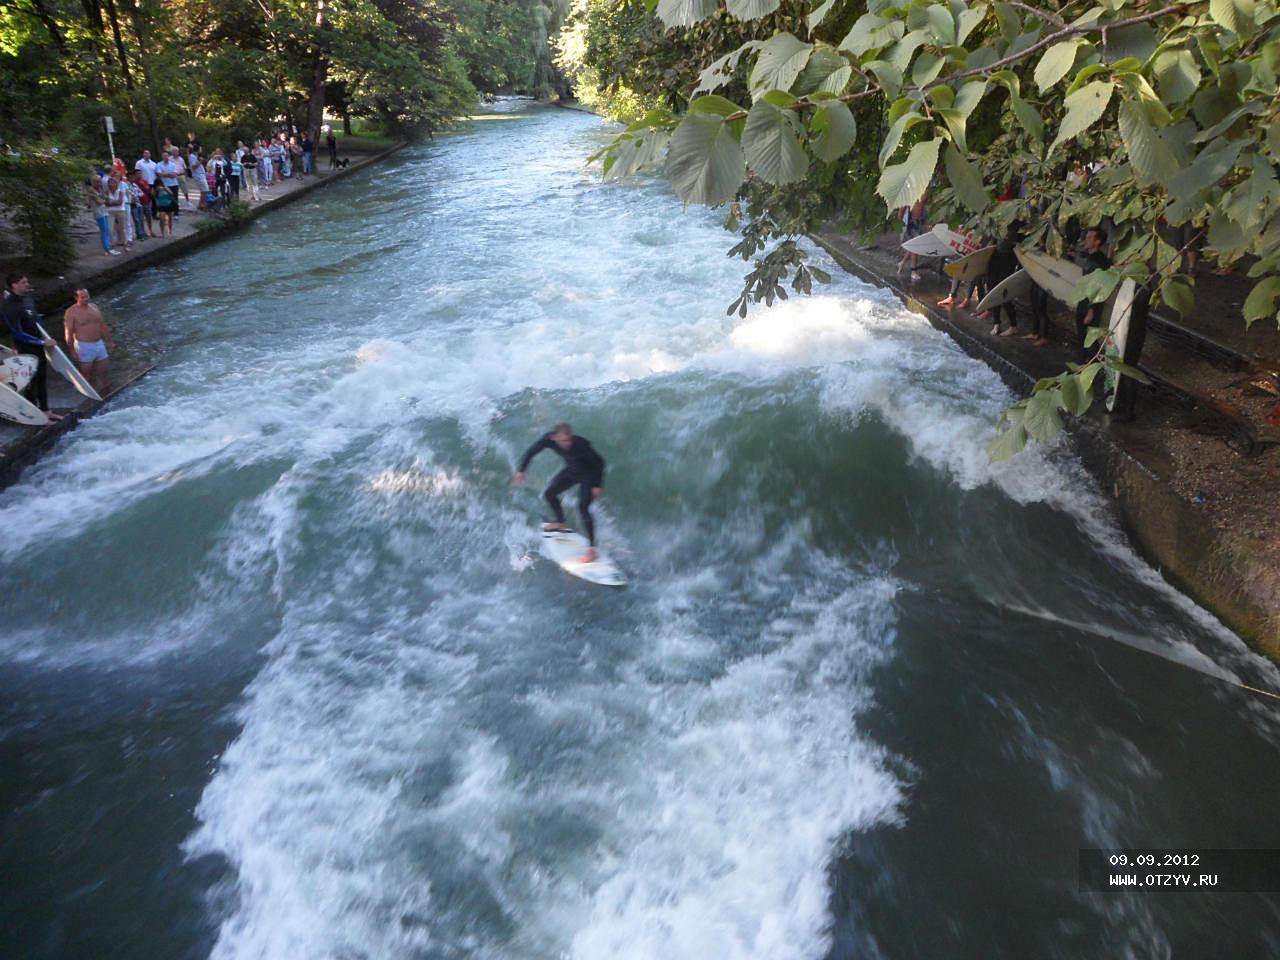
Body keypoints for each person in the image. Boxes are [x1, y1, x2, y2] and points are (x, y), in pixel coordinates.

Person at [513, 422, 606, 563]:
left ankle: (592, 550)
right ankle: (561, 522)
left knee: (582, 507)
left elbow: (600, 462)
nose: (568, 443)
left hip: (589, 475)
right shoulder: (548, 440)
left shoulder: (581, 444)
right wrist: (521, 471)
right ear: (554, 437)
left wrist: (597, 485)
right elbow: (531, 452)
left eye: (569, 440)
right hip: (573, 471)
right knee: (549, 494)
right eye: (564, 441)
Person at [2, 275, 63, 421]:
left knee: (42, 378)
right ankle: (34, 415)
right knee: (31, 381)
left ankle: (46, 411)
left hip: (37, 345)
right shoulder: (9, 306)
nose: (27, 284)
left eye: (27, 281)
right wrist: (42, 342)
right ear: (14, 285)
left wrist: (44, 337)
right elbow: (17, 332)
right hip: (25, 348)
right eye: (23, 282)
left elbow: (35, 321)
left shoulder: (26, 299)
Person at [63, 288, 113, 396]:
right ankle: (82, 396)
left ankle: (105, 394)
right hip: (84, 345)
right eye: (83, 297)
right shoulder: (71, 313)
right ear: (76, 298)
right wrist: (72, 350)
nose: (86, 299)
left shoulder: (94, 307)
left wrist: (109, 340)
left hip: (99, 343)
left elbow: (102, 325)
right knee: (86, 374)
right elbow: (69, 333)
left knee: (103, 372)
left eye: (87, 296)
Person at [1074, 226, 1112, 362]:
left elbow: (1098, 288)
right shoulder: (1091, 258)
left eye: (1090, 238)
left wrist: (1091, 311)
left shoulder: (1099, 262)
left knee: (1090, 337)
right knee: (1082, 336)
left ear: (1097, 242)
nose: (1086, 240)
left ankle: (1089, 365)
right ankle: (1082, 364)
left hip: (1091, 304)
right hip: (1083, 301)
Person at [897, 197, 926, 282]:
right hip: (911, 222)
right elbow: (902, 209)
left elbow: (923, 206)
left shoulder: (926, 192)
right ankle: (913, 270)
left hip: (919, 220)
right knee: (915, 246)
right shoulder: (911, 194)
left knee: (913, 246)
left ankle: (902, 263)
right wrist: (900, 223)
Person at [87, 178, 116, 256]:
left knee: (107, 230)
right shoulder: (91, 191)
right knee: (104, 231)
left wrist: (104, 198)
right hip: (99, 213)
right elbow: (98, 202)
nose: (99, 184)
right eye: (97, 182)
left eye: (99, 182)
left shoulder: (100, 190)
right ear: (93, 182)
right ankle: (107, 248)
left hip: (104, 211)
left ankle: (109, 246)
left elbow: (107, 198)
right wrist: (105, 201)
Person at [103, 174, 130, 251]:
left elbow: (120, 202)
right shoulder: (107, 192)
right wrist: (112, 202)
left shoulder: (120, 192)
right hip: (110, 212)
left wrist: (110, 202)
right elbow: (106, 203)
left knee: (122, 228)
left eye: (113, 182)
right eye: (110, 183)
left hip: (120, 211)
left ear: (116, 183)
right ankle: (112, 244)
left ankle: (125, 244)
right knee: (110, 229)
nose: (111, 184)